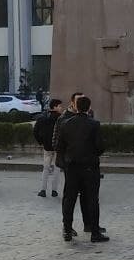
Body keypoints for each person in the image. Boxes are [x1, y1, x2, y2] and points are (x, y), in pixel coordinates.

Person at [55, 96, 107, 243]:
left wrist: (67, 160)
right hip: (90, 167)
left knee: (69, 199)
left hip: (71, 167)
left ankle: (67, 230)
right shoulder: (94, 124)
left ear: (76, 107)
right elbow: (100, 146)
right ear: (89, 108)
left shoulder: (66, 124)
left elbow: (60, 146)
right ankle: (94, 231)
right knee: (92, 199)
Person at [34, 98, 63, 198]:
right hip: (58, 147)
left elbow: (35, 131)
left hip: (46, 147)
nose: (61, 108)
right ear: (54, 107)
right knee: (57, 169)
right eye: (59, 106)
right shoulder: (61, 119)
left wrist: (40, 142)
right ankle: (54, 190)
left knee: (45, 168)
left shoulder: (43, 117)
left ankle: (43, 189)